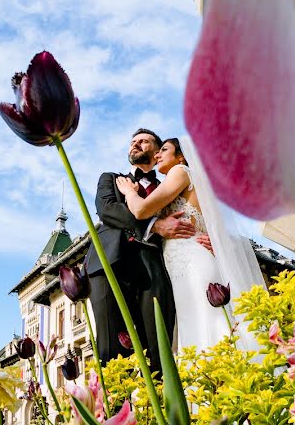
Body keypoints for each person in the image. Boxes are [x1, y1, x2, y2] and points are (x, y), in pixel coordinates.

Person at [116, 136, 265, 351]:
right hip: (184, 265)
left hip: (193, 261)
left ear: (181, 157)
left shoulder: (180, 172)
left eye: (164, 150)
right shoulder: (190, 181)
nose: (157, 155)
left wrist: (129, 192)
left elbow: (141, 210)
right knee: (201, 321)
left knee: (206, 322)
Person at [84, 128, 208, 374]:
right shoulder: (112, 178)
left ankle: (160, 407)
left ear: (158, 150)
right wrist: (156, 225)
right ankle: (117, 409)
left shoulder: (171, 184)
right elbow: (107, 210)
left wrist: (209, 239)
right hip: (112, 263)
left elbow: (196, 213)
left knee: (158, 346)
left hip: (155, 269)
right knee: (112, 348)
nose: (136, 144)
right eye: (133, 142)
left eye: (144, 141)